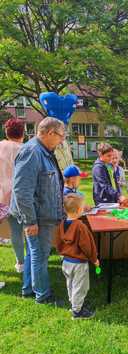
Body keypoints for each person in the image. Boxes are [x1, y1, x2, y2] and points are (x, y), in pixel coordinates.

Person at [10, 117, 65, 304]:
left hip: (41, 213)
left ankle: (28, 289)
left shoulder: (42, 151)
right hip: (37, 216)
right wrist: (30, 221)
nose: (62, 140)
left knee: (33, 253)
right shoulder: (33, 151)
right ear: (50, 133)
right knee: (40, 255)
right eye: (61, 136)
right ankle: (43, 295)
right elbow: (21, 190)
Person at [55, 193, 99, 319]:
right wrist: (94, 259)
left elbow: (58, 242)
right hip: (79, 263)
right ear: (79, 210)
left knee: (70, 284)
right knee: (80, 286)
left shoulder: (61, 225)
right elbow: (88, 246)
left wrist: (61, 252)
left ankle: (74, 303)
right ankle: (77, 312)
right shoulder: (81, 226)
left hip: (66, 262)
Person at [0, 118, 25, 273]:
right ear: (22, 133)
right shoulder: (25, 149)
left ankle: (20, 263)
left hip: (2, 194)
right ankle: (25, 262)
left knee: (15, 231)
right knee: (22, 229)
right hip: (19, 194)